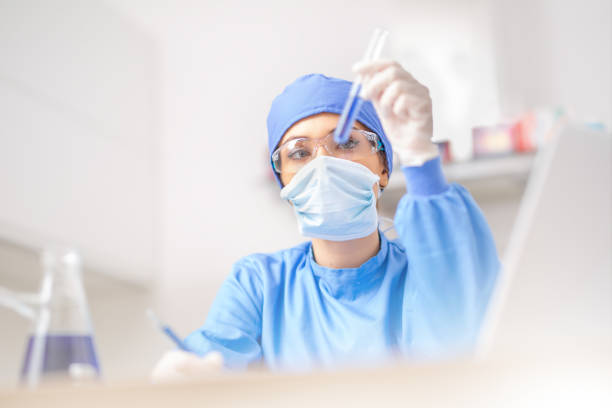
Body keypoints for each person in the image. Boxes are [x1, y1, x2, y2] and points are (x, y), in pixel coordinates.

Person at [152, 60, 500, 381]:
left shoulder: (425, 273)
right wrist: (189, 378)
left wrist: (420, 154)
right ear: (283, 179)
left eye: (346, 143)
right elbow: (214, 358)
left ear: (382, 167)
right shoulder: (260, 285)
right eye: (299, 153)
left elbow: (464, 315)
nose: (323, 165)